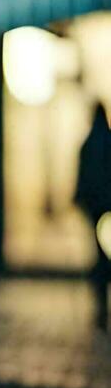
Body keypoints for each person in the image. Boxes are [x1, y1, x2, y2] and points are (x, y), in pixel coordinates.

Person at [74, 102, 111, 331]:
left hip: (96, 208)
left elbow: (83, 177)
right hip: (107, 207)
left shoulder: (88, 144)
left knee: (99, 255)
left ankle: (101, 306)